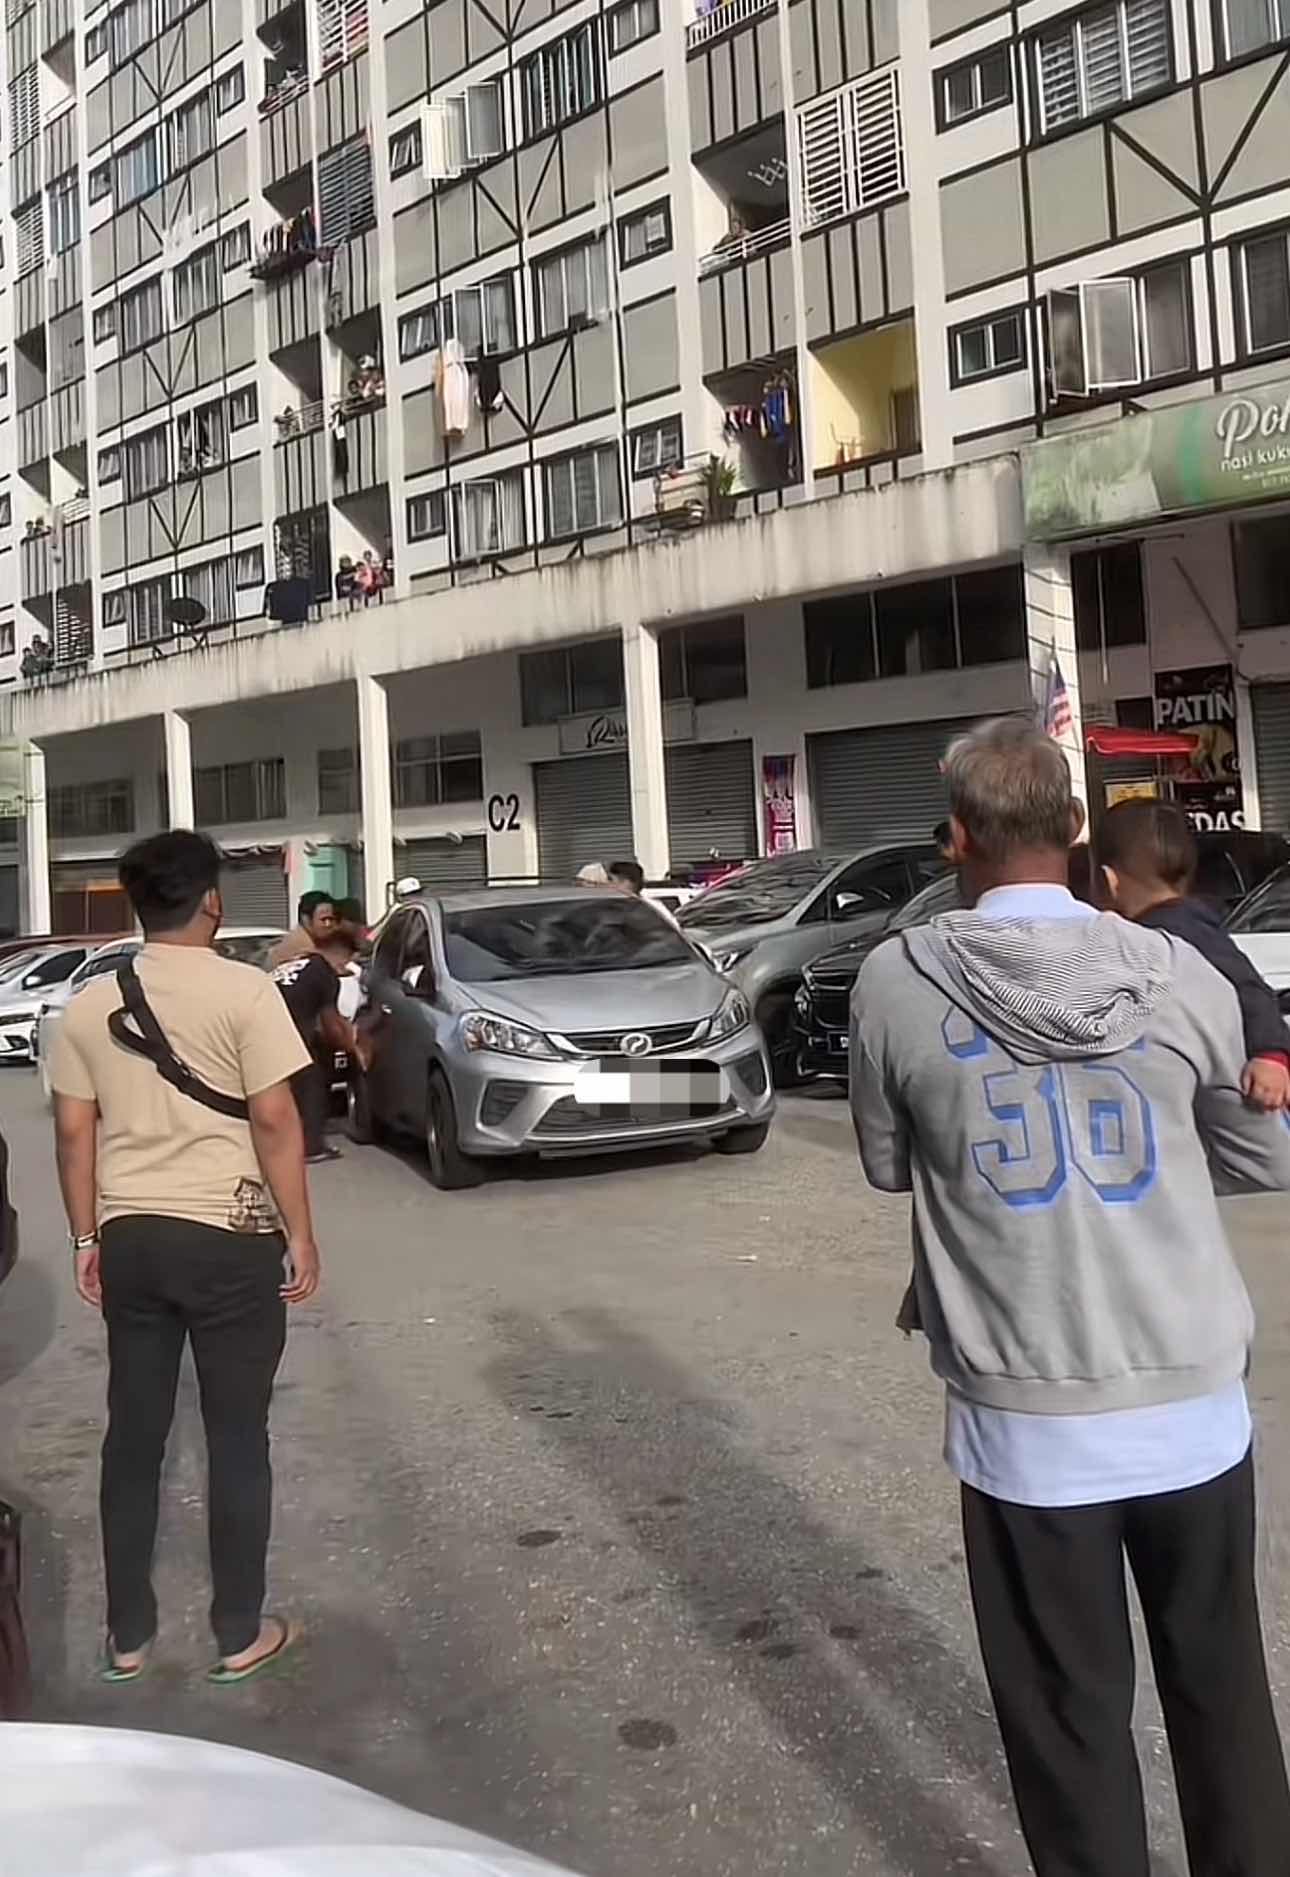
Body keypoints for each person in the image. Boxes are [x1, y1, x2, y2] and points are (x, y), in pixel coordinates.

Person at [851, 716, 1290, 1877]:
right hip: (1191, 1403)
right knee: (1223, 1695)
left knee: (1067, 1720)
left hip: (1023, 1429)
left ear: (958, 838)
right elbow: (1265, 1157)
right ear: (1076, 830)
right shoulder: (1177, 970)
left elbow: (889, 1162)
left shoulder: (896, 982)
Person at [50, 831, 318, 1686]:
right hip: (231, 1237)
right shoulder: (245, 990)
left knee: (134, 1436)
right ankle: (238, 1631)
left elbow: (71, 1131)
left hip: (131, 1238)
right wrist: (301, 1232)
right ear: (210, 900)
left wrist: (86, 1236)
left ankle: (127, 1634)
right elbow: (275, 1119)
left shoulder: (88, 1004)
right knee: (237, 1436)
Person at [1099, 797, 1290, 1111]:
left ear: (1108, 881)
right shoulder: (1186, 924)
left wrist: (1271, 1055)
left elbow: (1250, 987)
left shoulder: (1184, 930)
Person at [272, 933, 360, 1164]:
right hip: (289, 1032)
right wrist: (352, 1049)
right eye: (344, 963)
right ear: (341, 956)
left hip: (264, 1027)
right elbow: (330, 1023)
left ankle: (280, 1142)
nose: (343, 970)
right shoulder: (325, 974)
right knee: (314, 1082)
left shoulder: (294, 963)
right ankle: (312, 1147)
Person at [269, 890, 337, 968]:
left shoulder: (315, 941)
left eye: (331, 919)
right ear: (306, 919)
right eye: (323, 919)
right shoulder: (302, 949)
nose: (328, 924)